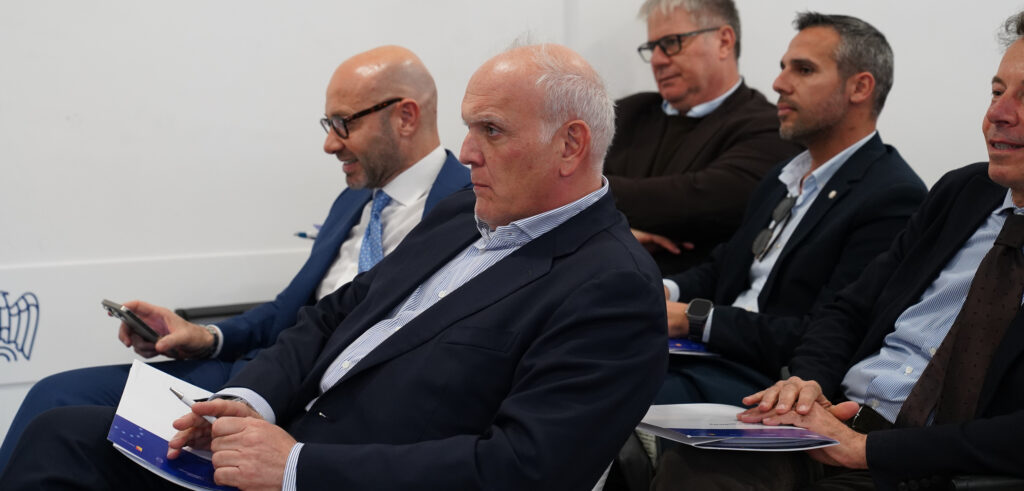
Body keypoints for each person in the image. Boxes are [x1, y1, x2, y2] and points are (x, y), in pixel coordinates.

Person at [1, 43, 669, 491]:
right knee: (61, 432)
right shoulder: (462, 214)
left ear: (570, 145)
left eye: (490, 130)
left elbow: (523, 470)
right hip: (276, 436)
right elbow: (330, 315)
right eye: (469, 128)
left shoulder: (611, 287)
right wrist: (244, 402)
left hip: (331, 473)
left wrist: (296, 466)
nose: (465, 151)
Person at [0, 45, 470, 473]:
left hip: (312, 397)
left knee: (68, 434)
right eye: (327, 125)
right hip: (248, 369)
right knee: (53, 395)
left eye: (343, 123)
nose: (330, 144)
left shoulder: (467, 212)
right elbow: (290, 310)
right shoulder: (354, 200)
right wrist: (204, 337)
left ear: (405, 117)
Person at [654, 10, 1024, 489]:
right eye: (996, 92)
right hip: (838, 420)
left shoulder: (889, 191)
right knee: (695, 464)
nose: (998, 114)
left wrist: (867, 449)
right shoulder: (964, 193)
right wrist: (808, 383)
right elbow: (848, 310)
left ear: (860, 87)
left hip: (924, 460)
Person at [656, 13, 926, 404]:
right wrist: (663, 291)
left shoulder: (893, 196)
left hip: (765, 380)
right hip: (706, 356)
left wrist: (695, 319)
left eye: (803, 70)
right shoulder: (784, 174)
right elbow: (725, 267)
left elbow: (827, 333)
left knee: (605, 394)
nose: (779, 83)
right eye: (783, 67)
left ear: (860, 87)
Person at [605, 0, 800, 275]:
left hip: (684, 297)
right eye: (652, 47)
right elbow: (546, 191)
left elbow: (696, 204)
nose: (657, 59)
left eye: (671, 43)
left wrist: (590, 202)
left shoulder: (771, 128)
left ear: (724, 41)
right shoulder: (624, 114)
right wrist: (618, 233)